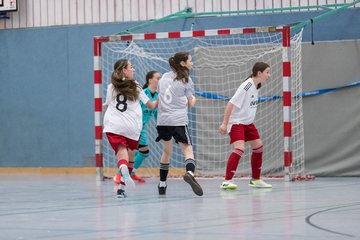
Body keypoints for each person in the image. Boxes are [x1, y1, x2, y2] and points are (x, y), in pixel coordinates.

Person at [103, 59, 157, 198]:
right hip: (132, 127)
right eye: (131, 67)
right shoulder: (136, 86)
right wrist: (162, 97)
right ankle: (121, 188)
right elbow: (151, 106)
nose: (133, 70)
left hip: (114, 125)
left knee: (121, 152)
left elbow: (108, 105)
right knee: (131, 157)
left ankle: (123, 171)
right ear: (124, 71)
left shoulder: (111, 87)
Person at [155, 51, 203, 196]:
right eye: (190, 61)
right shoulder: (186, 80)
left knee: (166, 151)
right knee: (187, 149)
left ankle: (162, 184)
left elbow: (160, 97)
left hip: (162, 121)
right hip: (178, 120)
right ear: (183, 63)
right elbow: (190, 104)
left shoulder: (163, 78)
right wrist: (194, 99)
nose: (192, 63)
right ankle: (189, 173)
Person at [219, 62, 273, 189]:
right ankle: (227, 180)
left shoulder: (257, 85)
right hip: (237, 122)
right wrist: (224, 124)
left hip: (248, 123)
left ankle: (255, 180)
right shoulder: (247, 86)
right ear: (259, 73)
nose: (269, 75)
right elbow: (230, 104)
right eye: (267, 72)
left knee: (258, 147)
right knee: (240, 148)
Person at [130, 71, 161, 183]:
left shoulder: (157, 95)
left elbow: (156, 114)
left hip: (141, 127)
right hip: (135, 126)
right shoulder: (143, 94)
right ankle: (122, 174)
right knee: (139, 151)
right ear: (150, 80)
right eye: (158, 78)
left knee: (141, 151)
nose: (160, 80)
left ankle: (130, 172)